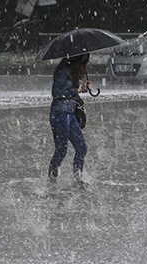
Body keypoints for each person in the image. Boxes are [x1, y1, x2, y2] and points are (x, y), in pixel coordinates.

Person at [47, 53, 93, 188]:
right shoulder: (64, 69)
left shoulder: (72, 69)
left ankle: (78, 179)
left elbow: (69, 90)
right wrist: (77, 89)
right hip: (60, 113)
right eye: (83, 59)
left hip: (69, 112)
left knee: (81, 147)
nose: (85, 62)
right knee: (61, 150)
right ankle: (51, 182)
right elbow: (57, 92)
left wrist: (83, 88)